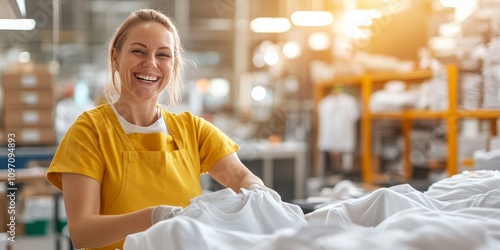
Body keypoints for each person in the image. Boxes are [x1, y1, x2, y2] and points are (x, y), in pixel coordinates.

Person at [46, 9, 276, 250]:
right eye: (138, 51)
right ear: (115, 56)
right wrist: (153, 217)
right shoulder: (89, 132)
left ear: (174, 65)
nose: (150, 63)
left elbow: (239, 176)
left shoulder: (192, 130)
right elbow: (82, 232)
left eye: (163, 55)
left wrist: (256, 190)